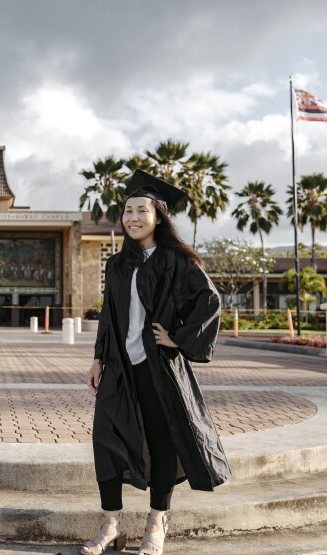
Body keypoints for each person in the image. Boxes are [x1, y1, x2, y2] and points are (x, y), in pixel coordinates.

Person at [80, 169, 230, 555]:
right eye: (128, 210)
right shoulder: (117, 265)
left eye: (141, 210)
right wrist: (98, 358)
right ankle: (112, 522)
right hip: (118, 366)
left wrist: (178, 338)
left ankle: (156, 523)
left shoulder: (175, 261)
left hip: (158, 365)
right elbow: (110, 316)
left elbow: (210, 301)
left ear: (158, 216)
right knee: (105, 439)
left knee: (163, 444)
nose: (132, 217)